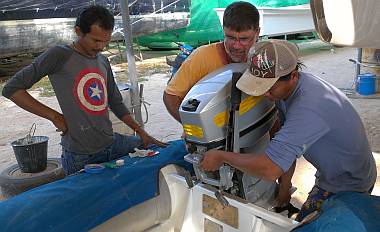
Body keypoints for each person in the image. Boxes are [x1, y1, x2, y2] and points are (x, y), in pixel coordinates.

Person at [199, 39, 377, 221]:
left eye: (269, 88)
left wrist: (221, 157)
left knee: (306, 226)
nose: (263, 94)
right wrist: (284, 189)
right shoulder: (290, 90)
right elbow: (283, 147)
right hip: (332, 169)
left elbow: (270, 169)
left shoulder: (308, 108)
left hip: (348, 181)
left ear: (293, 75)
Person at [2, 5, 166, 175]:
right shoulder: (59, 55)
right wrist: (55, 116)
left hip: (111, 143)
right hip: (80, 155)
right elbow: (12, 89)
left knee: (153, 152)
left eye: (106, 41)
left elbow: (116, 101)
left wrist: (140, 131)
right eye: (95, 40)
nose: (101, 46)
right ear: (78, 31)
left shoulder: (102, 61)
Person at [163, 1, 260, 122]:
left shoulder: (264, 57)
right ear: (223, 30)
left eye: (244, 39)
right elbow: (171, 96)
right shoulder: (201, 56)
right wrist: (197, 130)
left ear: (257, 33)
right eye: (230, 37)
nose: (237, 46)